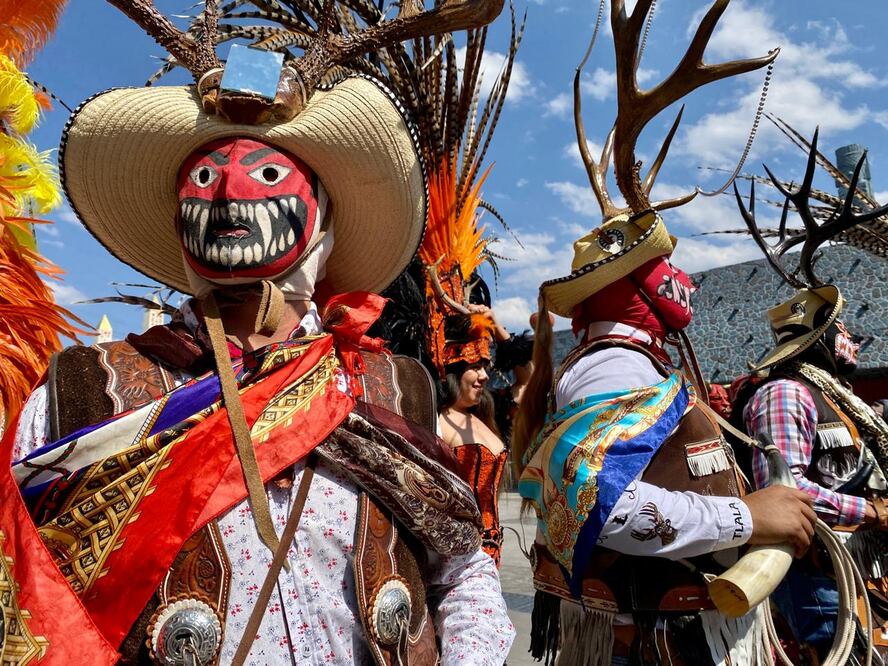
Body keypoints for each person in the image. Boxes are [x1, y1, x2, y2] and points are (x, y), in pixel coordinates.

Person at [0, 3, 515, 664]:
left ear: (324, 221)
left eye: (269, 176)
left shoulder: (394, 386)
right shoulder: (85, 391)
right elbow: (22, 588)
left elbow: (461, 568)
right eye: (205, 178)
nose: (227, 198)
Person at [510, 3, 815, 664]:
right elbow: (598, 500)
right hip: (659, 642)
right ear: (642, 287)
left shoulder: (621, 360)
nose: (685, 281)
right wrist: (748, 518)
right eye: (665, 266)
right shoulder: (615, 364)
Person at [732, 139, 888, 661]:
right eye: (842, 330)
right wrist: (866, 508)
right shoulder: (785, 394)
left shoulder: (833, 398)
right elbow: (785, 489)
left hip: (854, 559)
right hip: (815, 569)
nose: (853, 341)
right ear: (818, 338)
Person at [439, 359, 508, 567]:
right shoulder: (436, 421)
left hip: (492, 547)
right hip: (458, 551)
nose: (485, 375)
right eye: (475, 367)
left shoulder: (483, 417)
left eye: (485, 367)